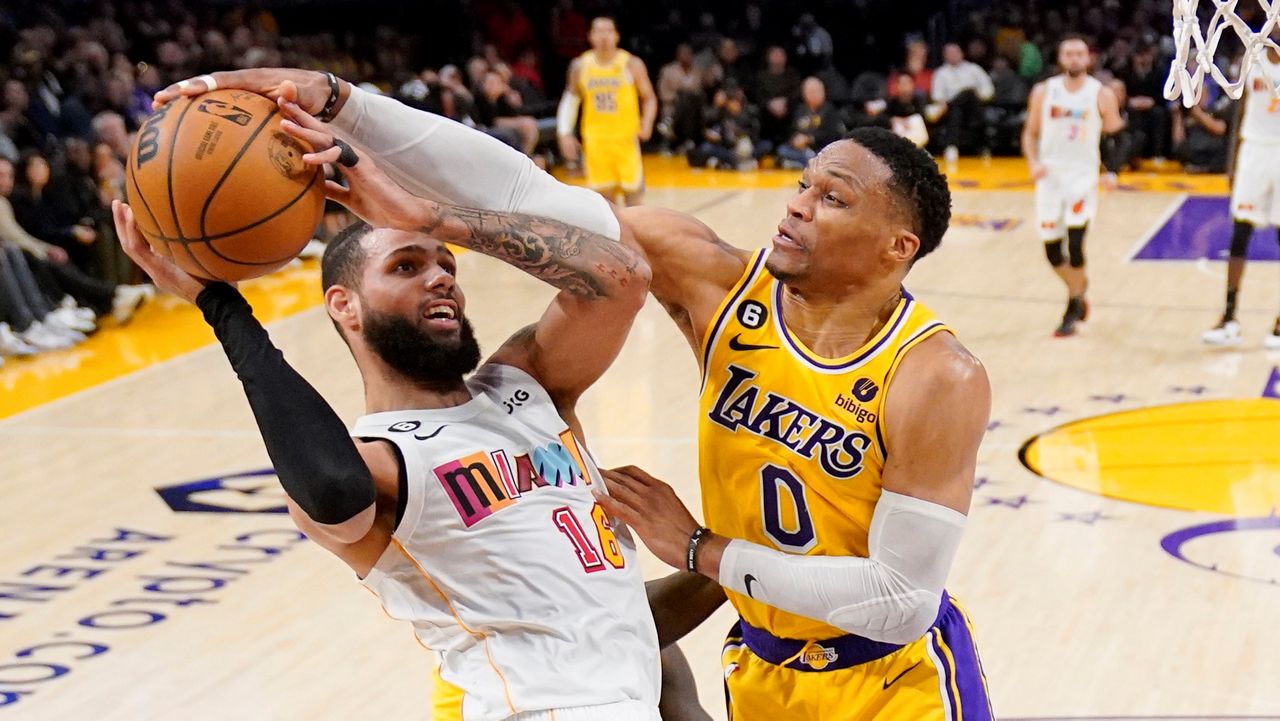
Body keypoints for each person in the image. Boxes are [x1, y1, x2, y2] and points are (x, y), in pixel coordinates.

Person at [157, 66, 993, 721]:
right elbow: (529, 198)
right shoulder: (716, 284)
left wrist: (703, 553)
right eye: (805, 182)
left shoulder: (937, 373)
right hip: (760, 655)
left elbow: (897, 600)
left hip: (888, 676)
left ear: (896, 247)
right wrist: (342, 104)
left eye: (831, 198)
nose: (798, 205)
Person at [114, 93, 719, 720]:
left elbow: (622, 278)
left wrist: (432, 218)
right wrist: (224, 308)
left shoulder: (529, 385)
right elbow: (330, 489)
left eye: (445, 263)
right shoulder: (377, 463)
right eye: (406, 264)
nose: (440, 277)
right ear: (344, 306)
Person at [1022, 36, 1126, 337]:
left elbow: (1117, 136)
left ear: (1088, 58)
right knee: (1052, 251)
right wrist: (1033, 162)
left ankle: (1072, 303)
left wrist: (1112, 171)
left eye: (1080, 53)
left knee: (1076, 244)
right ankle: (1078, 288)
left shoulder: (1101, 93)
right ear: (1060, 57)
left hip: (1082, 176)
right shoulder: (1044, 92)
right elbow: (1030, 134)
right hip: (1050, 176)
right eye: (1069, 53)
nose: (1074, 58)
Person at [1202, 37, 1280, 348]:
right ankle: (1229, 316)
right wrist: (1232, 163)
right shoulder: (1253, 57)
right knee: (1240, 233)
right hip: (1253, 151)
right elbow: (1240, 113)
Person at [556, 17, 657, 206]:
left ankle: (635, 236)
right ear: (591, 36)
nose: (604, 36)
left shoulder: (631, 64)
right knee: (605, 204)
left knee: (634, 200)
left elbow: (649, 97)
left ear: (617, 36)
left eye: (609, 31)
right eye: (599, 31)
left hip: (625, 140)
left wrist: (647, 121)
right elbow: (570, 100)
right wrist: (564, 133)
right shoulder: (580, 66)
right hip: (596, 142)